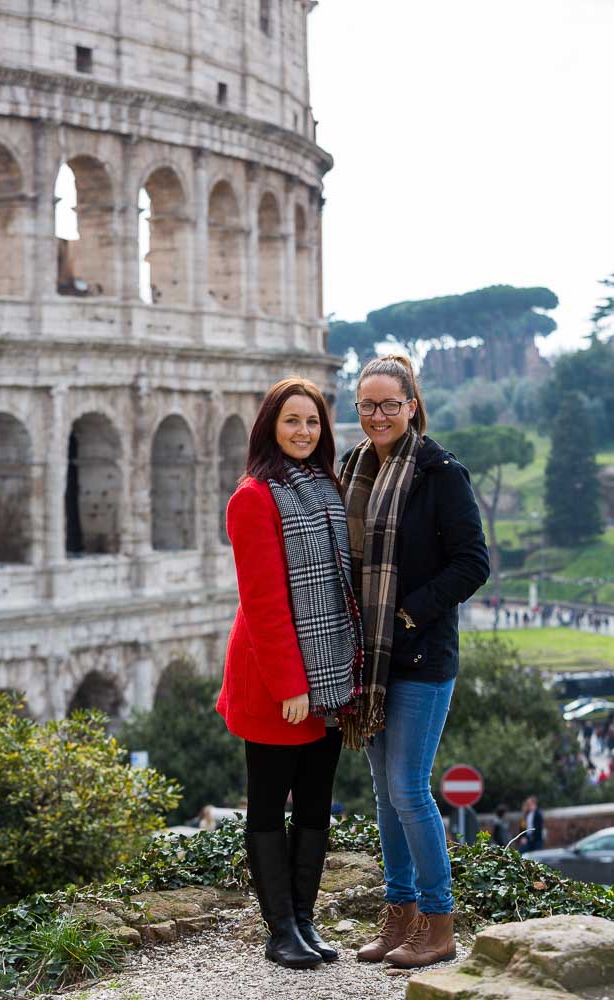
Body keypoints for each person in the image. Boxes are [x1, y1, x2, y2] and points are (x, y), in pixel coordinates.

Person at [338, 354, 489, 969]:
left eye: (389, 404)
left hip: (420, 654)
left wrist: (407, 612)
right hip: (367, 660)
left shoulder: (440, 473)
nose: (378, 415)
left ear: (412, 406)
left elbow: (473, 562)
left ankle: (438, 920)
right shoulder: (351, 469)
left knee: (407, 788)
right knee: (384, 793)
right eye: (367, 406)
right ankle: (399, 915)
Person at [216, 378, 363, 970]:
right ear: (269, 428)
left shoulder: (327, 488)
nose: (304, 432)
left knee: (315, 802)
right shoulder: (252, 496)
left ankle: (304, 919)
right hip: (276, 678)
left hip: (328, 678)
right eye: (291, 421)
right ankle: (279, 930)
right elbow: (264, 601)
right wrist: (291, 685)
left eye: (313, 422)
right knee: (268, 802)